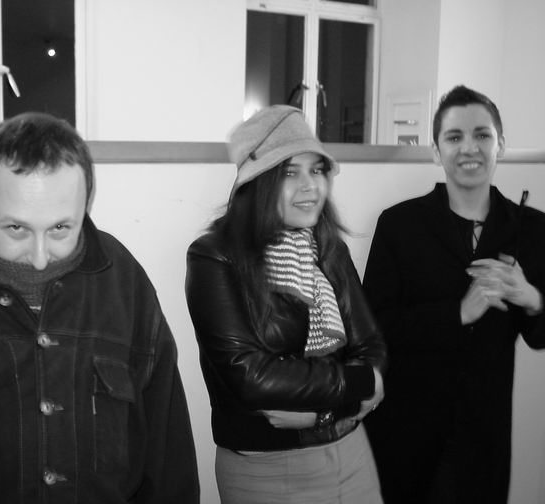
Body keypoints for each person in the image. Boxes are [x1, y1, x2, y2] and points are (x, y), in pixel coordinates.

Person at [0, 112, 199, 503]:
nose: (41, 258)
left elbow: (166, 451)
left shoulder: (124, 281)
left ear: (85, 206)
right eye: (16, 229)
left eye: (60, 228)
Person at [185, 105, 387, 503]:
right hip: (266, 469)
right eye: (290, 172)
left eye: (317, 170)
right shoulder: (215, 257)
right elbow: (252, 377)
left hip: (350, 453)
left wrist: (322, 413)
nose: (310, 186)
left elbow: (370, 345)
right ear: (257, 183)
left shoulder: (329, 249)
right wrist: (362, 383)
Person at [362, 85, 545, 503]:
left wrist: (532, 297)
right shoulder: (398, 225)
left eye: (482, 135)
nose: (469, 148)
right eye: (454, 136)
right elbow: (375, 328)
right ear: (436, 151)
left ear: (501, 145)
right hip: (405, 431)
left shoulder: (532, 229)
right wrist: (457, 313)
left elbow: (539, 336)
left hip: (484, 436)